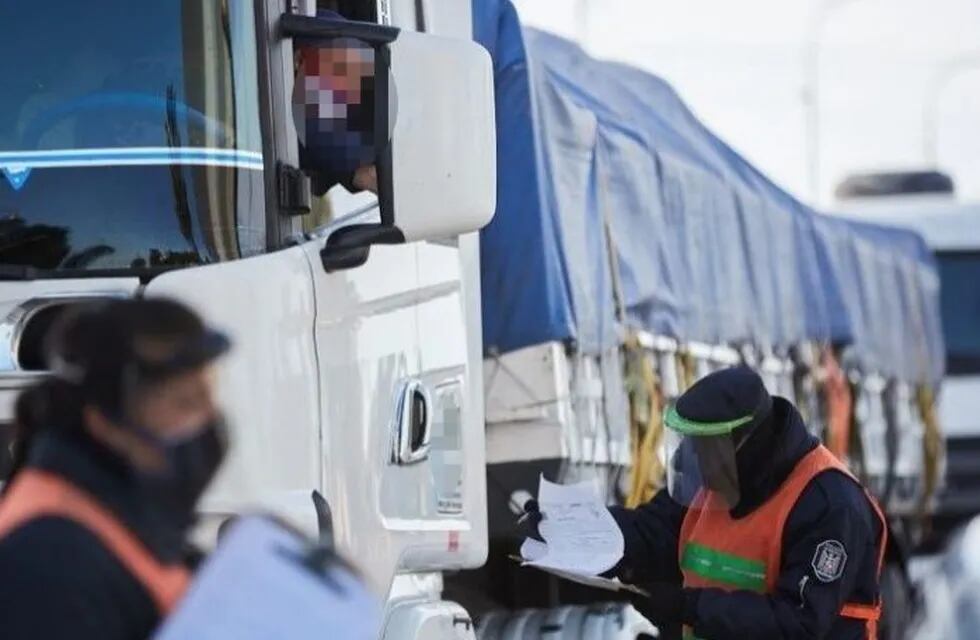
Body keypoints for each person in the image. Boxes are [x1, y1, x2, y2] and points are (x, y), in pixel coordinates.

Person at [520, 366, 887, 640]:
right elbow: (654, 531)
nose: (693, 458)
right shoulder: (717, 482)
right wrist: (579, 528)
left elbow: (798, 623)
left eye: (703, 447)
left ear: (744, 444)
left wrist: (687, 607)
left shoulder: (829, 504)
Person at [0, 298, 231, 639]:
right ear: (103, 419)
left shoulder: (123, 513)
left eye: (209, 395)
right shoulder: (50, 559)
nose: (207, 421)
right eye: (185, 402)